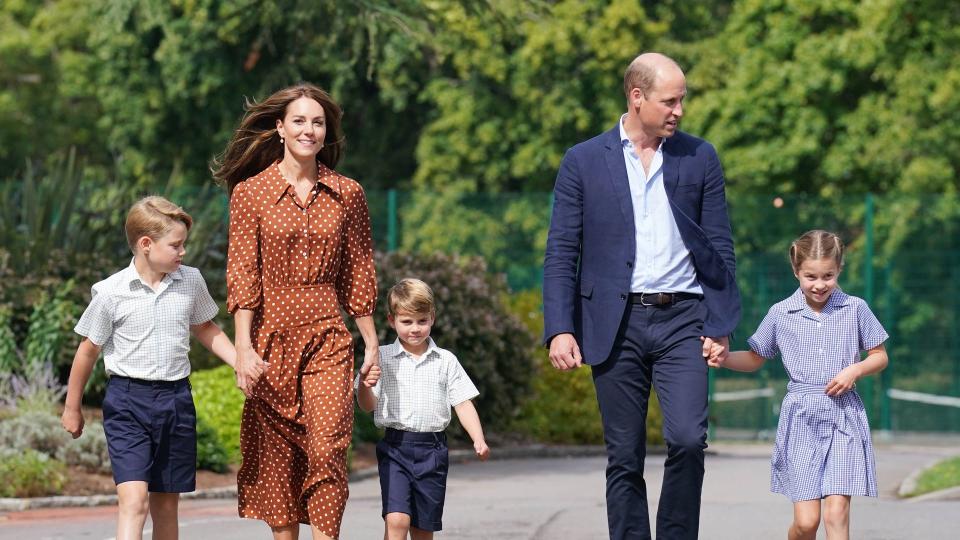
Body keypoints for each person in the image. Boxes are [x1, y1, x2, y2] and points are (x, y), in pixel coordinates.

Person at [542, 52, 741, 539]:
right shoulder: (583, 160)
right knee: (625, 455)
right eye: (669, 101)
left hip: (684, 319)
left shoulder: (700, 156)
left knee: (689, 440)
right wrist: (560, 328)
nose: (679, 110)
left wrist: (720, 324)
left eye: (682, 100)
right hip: (614, 323)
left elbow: (720, 247)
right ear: (636, 97)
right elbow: (562, 250)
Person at [214, 83, 380, 540]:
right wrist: (243, 349)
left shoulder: (348, 194)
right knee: (278, 459)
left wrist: (371, 344)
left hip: (329, 336)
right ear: (280, 127)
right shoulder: (250, 193)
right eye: (300, 121)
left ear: (327, 132)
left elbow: (359, 271)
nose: (309, 129)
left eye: (318, 122)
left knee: (327, 448)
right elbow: (243, 275)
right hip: (271, 339)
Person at [60, 196, 237, 540]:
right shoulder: (111, 293)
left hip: (176, 401)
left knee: (166, 505)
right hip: (128, 402)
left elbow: (205, 327)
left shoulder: (191, 281)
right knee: (134, 501)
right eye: (176, 245)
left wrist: (239, 363)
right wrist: (72, 407)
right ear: (146, 245)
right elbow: (87, 350)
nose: (183, 251)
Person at [707, 230, 888, 540]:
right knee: (806, 523)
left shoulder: (855, 308)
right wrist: (723, 358)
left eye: (828, 275)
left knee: (836, 514)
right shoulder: (780, 313)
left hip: (843, 418)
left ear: (839, 269)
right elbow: (755, 357)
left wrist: (854, 370)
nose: (820, 284)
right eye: (811, 276)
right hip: (801, 419)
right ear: (797, 272)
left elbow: (879, 356)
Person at [356, 278, 490, 540]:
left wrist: (478, 439)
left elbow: (463, 402)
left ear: (433, 318)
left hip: (433, 451)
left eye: (422, 321)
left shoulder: (446, 360)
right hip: (395, 447)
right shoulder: (380, 357)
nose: (415, 329)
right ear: (391, 320)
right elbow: (367, 405)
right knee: (396, 520)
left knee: (422, 528)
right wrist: (363, 382)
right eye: (406, 322)